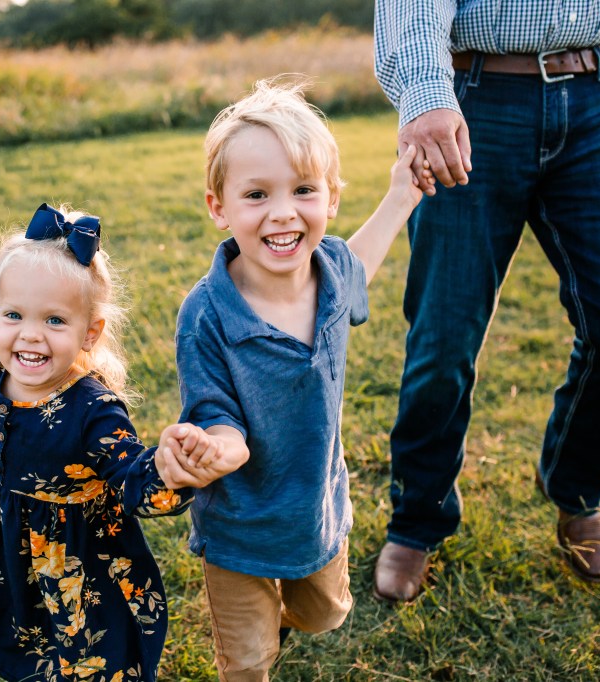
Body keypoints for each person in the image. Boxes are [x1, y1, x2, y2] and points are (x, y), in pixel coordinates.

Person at [372, 1, 600, 603]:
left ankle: (576, 491)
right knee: (443, 336)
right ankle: (419, 517)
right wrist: (424, 93)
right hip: (472, 98)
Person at [0, 202, 237, 681]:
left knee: (83, 657)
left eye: (54, 321)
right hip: (3, 539)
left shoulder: (93, 410)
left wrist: (173, 467)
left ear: (90, 334)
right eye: (15, 315)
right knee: (18, 636)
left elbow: (135, 478)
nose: (29, 335)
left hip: (75, 560)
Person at [175, 76, 424, 681]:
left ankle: (287, 617)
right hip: (237, 526)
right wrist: (217, 446)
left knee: (324, 615)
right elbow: (212, 407)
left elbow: (360, 264)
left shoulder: (332, 272)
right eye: (256, 195)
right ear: (219, 208)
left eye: (304, 190)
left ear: (331, 199)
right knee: (247, 664)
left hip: (314, 511)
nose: (283, 212)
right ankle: (256, 647)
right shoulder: (206, 312)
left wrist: (402, 196)